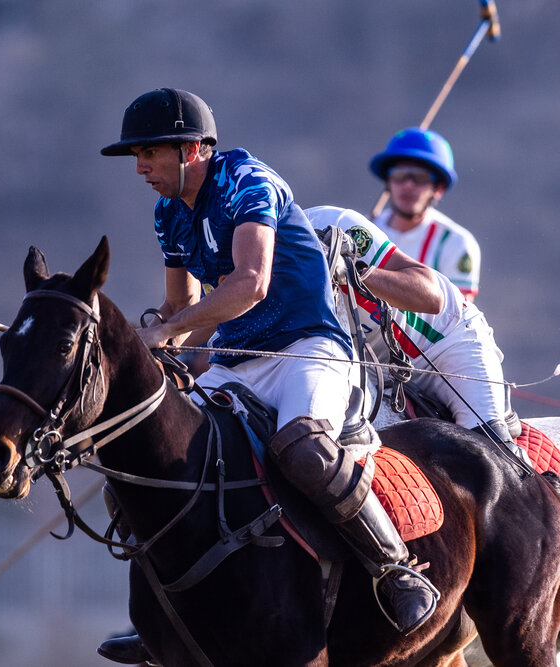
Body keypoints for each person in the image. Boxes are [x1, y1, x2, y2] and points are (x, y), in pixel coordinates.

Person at [96, 88, 439, 663]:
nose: (140, 167)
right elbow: (180, 308)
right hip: (238, 362)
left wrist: (167, 331)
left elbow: (250, 283)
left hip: (308, 349)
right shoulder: (168, 214)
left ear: (191, 149)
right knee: (150, 454)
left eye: (149, 152)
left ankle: (395, 569)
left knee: (305, 449)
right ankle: (166, 607)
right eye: (137, 156)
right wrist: (150, 342)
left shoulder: (248, 181)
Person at [306, 205, 527, 463]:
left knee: (490, 457)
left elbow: (432, 297)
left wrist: (354, 273)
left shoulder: (334, 222)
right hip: (376, 371)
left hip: (446, 344)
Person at [369, 127, 481, 302]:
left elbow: (459, 315)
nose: (408, 185)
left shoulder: (455, 243)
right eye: (399, 175)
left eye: (420, 177)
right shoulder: (363, 230)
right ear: (387, 182)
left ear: (439, 189)